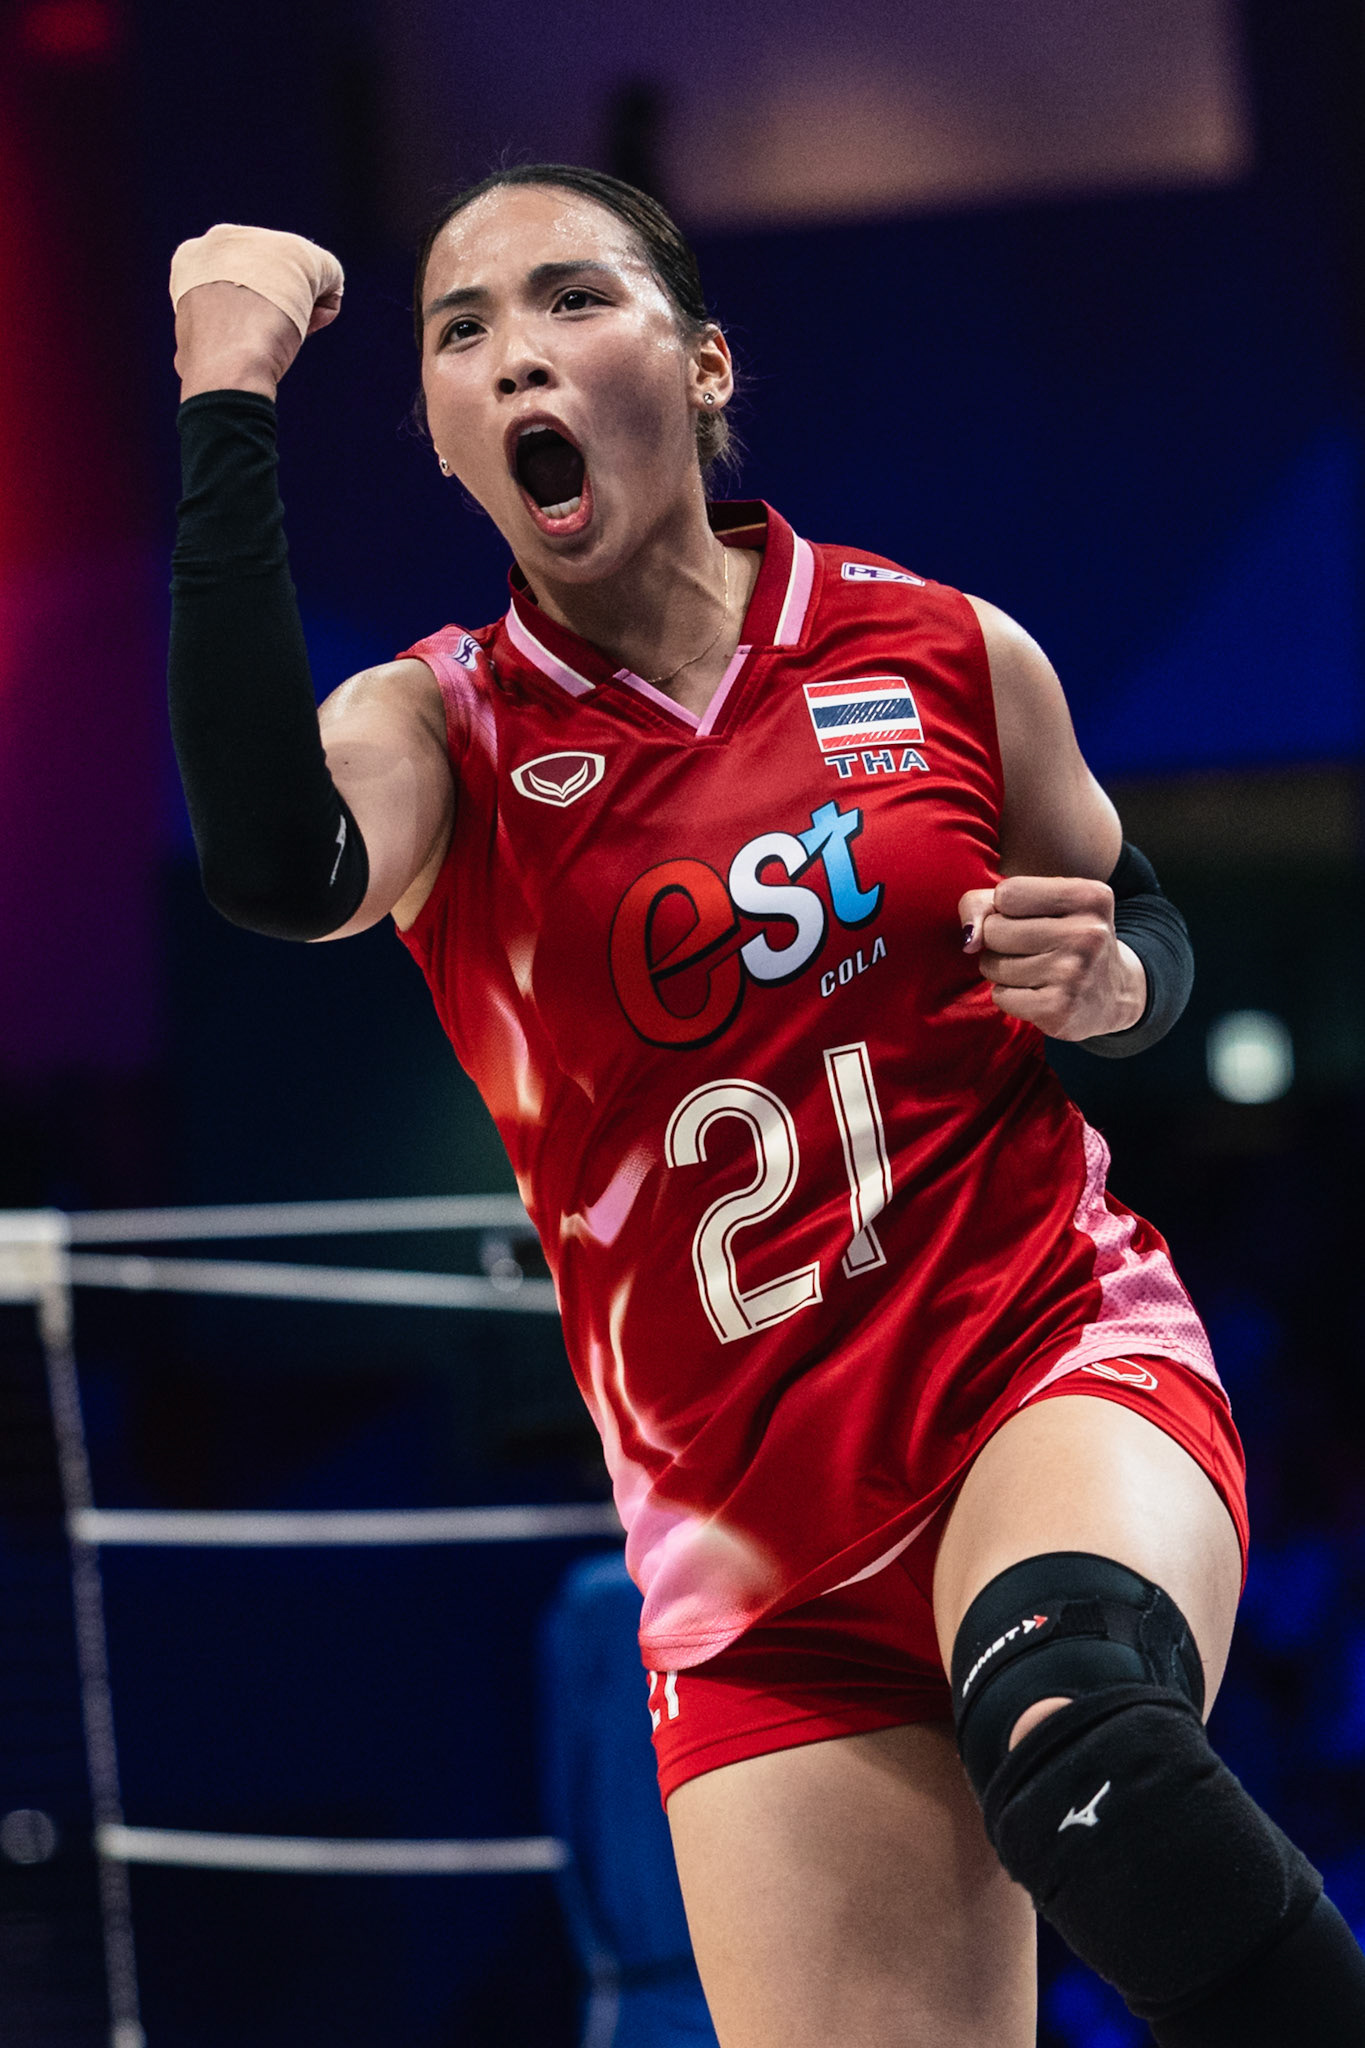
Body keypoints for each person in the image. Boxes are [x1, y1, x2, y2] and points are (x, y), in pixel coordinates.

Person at [166, 167, 1365, 2046]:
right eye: (459, 333)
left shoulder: (943, 650)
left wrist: (1116, 982)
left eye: (569, 299)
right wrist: (226, 392)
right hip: (748, 1562)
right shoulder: (439, 729)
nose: (512, 354)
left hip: (1034, 1372)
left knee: (1079, 1738)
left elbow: (1133, 923)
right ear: (449, 446)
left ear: (701, 363)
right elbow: (269, 857)